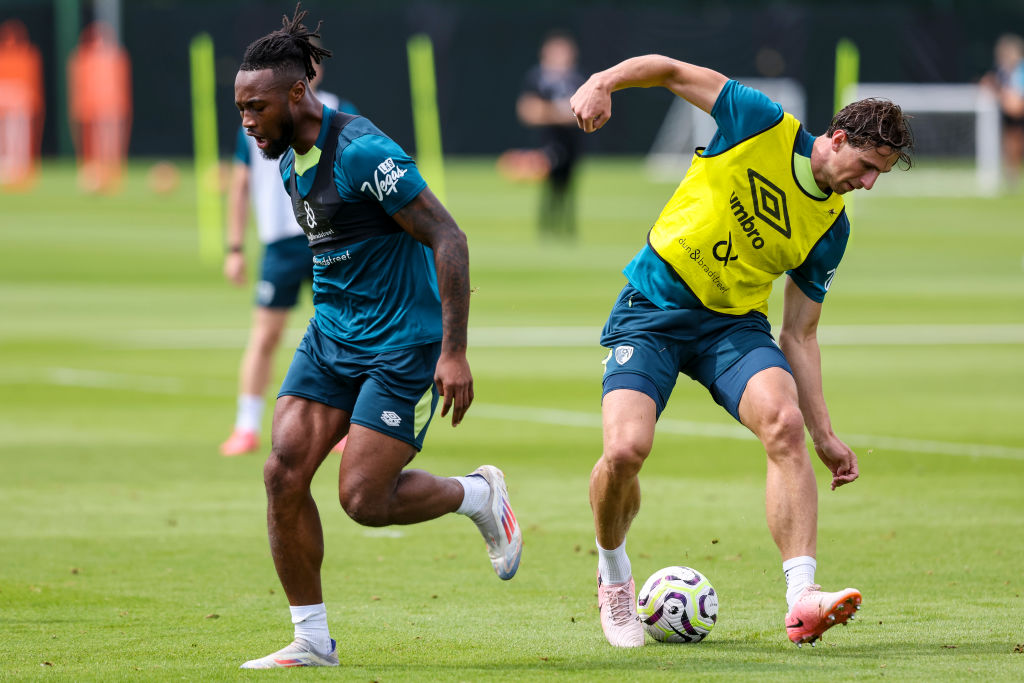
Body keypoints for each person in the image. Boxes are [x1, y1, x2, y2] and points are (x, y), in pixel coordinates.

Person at [568, 54, 912, 648]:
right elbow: (669, 70)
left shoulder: (832, 228)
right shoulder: (760, 122)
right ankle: (614, 575)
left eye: (878, 174)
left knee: (785, 423)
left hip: (730, 328)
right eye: (866, 166)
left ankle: (802, 598)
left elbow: (799, 333)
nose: (868, 183)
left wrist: (825, 433)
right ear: (836, 140)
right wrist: (602, 83)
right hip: (652, 308)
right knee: (624, 451)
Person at [232, 5, 522, 668]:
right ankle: (311, 640)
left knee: (362, 500)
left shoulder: (363, 150)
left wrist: (453, 350)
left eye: (256, 107)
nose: (246, 122)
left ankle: (479, 494)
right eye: (240, 108)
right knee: (282, 472)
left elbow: (449, 237)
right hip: (332, 339)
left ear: (297, 93)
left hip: (401, 345)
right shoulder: (290, 160)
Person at [219, 61, 355, 457]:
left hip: (330, 239)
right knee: (265, 335)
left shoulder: (339, 110)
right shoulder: (258, 117)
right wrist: (235, 248)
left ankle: (346, 427)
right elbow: (240, 185)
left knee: (346, 333)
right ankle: (246, 426)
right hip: (280, 242)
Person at [514, 31, 585, 239]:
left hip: (572, 141)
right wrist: (558, 112)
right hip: (548, 140)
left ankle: (567, 226)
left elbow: (584, 111)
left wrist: (553, 112)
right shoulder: (537, 78)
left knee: (568, 184)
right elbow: (528, 110)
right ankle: (547, 225)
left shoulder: (577, 79)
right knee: (548, 182)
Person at [982, 34, 1024, 190]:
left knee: (1015, 142)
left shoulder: (1020, 70)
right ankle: (1011, 175)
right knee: (1010, 142)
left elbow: (1016, 103)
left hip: (1017, 112)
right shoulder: (1001, 71)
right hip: (1010, 116)